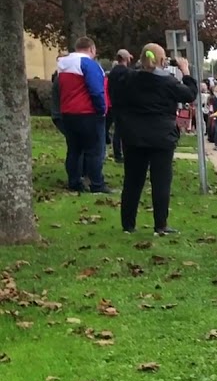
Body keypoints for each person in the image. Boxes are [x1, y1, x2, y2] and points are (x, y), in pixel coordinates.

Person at [109, 44, 199, 236]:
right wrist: (185, 71)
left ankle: (128, 224)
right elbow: (190, 94)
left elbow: (116, 83)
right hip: (161, 137)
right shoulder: (168, 82)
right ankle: (160, 225)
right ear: (161, 61)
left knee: (132, 181)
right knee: (161, 181)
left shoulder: (128, 79)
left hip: (133, 136)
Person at [55, 37, 110, 194]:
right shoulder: (89, 64)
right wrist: (101, 109)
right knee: (94, 151)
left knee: (74, 150)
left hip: (68, 112)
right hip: (88, 113)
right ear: (91, 49)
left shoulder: (63, 65)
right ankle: (96, 183)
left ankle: (74, 182)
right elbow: (96, 89)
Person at [106, 49, 131, 164]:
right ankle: (121, 154)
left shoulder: (112, 72)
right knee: (123, 131)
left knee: (117, 130)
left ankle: (117, 153)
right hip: (124, 105)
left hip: (114, 103)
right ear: (125, 58)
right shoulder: (126, 72)